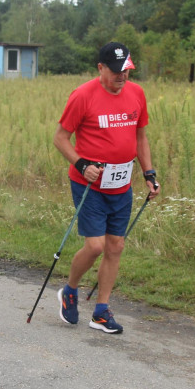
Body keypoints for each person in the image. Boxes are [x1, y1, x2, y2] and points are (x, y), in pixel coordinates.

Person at [52, 41, 160, 335]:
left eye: (126, 70)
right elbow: (60, 138)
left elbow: (141, 137)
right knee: (95, 246)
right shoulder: (82, 95)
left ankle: (101, 311)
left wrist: (149, 173)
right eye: (115, 71)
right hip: (89, 185)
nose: (121, 76)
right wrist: (81, 164)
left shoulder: (137, 93)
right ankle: (70, 290)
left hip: (121, 184)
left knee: (116, 246)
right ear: (100, 68)